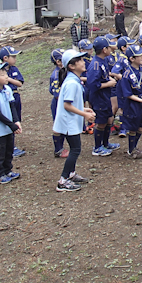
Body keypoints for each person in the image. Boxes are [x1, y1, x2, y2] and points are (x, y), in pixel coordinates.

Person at [53, 50, 96, 192]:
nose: (84, 62)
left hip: (70, 121)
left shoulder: (74, 80)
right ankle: (63, 180)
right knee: (76, 149)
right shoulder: (72, 82)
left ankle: (70, 174)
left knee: (74, 149)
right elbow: (67, 105)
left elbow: (72, 102)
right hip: (68, 122)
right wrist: (84, 114)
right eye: (80, 60)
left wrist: (84, 109)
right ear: (72, 66)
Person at [118, 45, 142, 159]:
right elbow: (128, 94)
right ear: (132, 59)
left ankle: (134, 146)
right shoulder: (127, 74)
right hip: (133, 104)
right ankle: (130, 150)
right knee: (133, 127)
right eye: (139, 56)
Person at [86, 36, 119, 157]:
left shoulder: (103, 60)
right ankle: (97, 147)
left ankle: (106, 143)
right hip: (98, 98)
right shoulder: (95, 65)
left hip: (106, 97)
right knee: (101, 123)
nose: (111, 49)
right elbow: (92, 84)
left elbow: (104, 75)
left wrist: (110, 78)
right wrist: (108, 84)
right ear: (104, 49)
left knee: (109, 119)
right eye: (109, 47)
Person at [0, 46, 26, 158]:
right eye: (13, 56)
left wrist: (8, 79)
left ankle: (12, 145)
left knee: (16, 119)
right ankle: (10, 147)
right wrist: (7, 79)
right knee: (8, 119)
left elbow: (20, 83)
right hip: (5, 97)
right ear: (5, 58)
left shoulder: (14, 69)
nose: (15, 59)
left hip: (15, 95)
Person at [111, 36, 136, 138]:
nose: (132, 46)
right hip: (122, 87)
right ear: (123, 48)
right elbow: (114, 71)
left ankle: (128, 125)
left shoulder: (129, 58)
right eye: (130, 45)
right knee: (122, 108)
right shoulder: (122, 59)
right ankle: (123, 128)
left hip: (129, 86)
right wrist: (122, 77)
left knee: (129, 106)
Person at [49, 49, 69, 159]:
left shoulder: (64, 71)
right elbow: (55, 91)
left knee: (64, 125)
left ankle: (61, 147)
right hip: (58, 103)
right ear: (58, 62)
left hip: (63, 102)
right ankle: (58, 149)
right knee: (58, 125)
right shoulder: (56, 74)